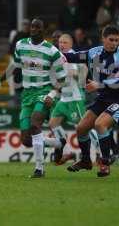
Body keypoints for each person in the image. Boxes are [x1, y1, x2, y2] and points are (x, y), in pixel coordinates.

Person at [0, 18, 67, 178]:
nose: (33, 29)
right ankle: (58, 143)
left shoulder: (52, 51)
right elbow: (12, 68)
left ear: (43, 30)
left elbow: (62, 79)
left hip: (43, 92)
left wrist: (52, 94)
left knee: (35, 123)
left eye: (37, 27)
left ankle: (39, 169)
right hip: (27, 94)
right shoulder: (21, 44)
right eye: (32, 26)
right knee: (26, 139)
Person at [65, 25, 119, 177]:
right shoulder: (95, 52)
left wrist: (98, 84)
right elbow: (77, 56)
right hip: (104, 97)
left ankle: (105, 163)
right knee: (81, 128)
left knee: (100, 124)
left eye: (117, 40)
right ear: (103, 39)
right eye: (111, 40)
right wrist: (59, 56)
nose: (114, 43)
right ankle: (86, 161)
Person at [46, 34, 87, 164]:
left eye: (64, 42)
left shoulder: (71, 55)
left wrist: (76, 74)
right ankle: (67, 150)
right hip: (64, 98)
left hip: (75, 98)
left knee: (84, 127)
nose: (61, 44)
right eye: (60, 42)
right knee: (53, 124)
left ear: (70, 44)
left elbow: (74, 73)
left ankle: (100, 153)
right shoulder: (61, 57)